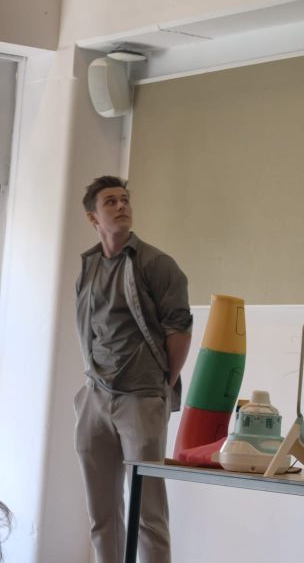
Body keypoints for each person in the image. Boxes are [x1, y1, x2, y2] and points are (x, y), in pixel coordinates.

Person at [74, 176, 192, 563]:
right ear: (93, 217)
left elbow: (179, 330)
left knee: (148, 515)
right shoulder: (89, 266)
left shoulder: (156, 264)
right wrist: (91, 388)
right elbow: (88, 327)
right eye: (111, 201)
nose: (121, 206)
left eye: (124, 199)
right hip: (95, 396)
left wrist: (160, 385)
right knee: (101, 516)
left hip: (141, 398)